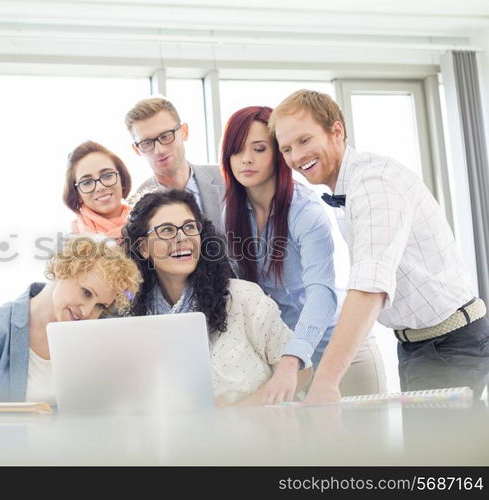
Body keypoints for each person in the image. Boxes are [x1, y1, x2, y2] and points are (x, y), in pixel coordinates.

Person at [270, 89, 489, 403]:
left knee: (442, 451)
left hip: (451, 344)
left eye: (304, 140)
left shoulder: (375, 183)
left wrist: (327, 380)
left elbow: (371, 285)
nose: (296, 157)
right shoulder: (351, 189)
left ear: (337, 131)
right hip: (418, 345)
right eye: (287, 148)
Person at [221, 105, 385, 402]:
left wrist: (291, 359)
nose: (246, 159)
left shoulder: (304, 211)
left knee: (363, 448)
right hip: (285, 360)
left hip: (338, 354)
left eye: (259, 149)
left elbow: (321, 293)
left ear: (279, 154)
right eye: (236, 150)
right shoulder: (231, 214)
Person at [122, 188, 310, 405]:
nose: (182, 237)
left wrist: (238, 414)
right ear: (144, 247)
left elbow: (303, 371)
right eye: (166, 230)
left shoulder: (242, 298)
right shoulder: (136, 318)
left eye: (190, 227)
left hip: (256, 433)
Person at [0, 236, 141, 403]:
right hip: (8, 446)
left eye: (101, 306)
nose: (89, 312)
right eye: (86, 292)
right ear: (60, 268)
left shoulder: (95, 336)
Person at [124, 96, 225, 233]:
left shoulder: (225, 178)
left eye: (166, 136)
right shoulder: (135, 206)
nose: (159, 150)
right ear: (137, 150)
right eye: (147, 143)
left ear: (184, 132)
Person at [63, 141, 132, 239]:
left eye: (107, 176)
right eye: (87, 182)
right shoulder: (68, 247)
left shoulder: (150, 223)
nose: (100, 187)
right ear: (77, 194)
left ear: (122, 180)